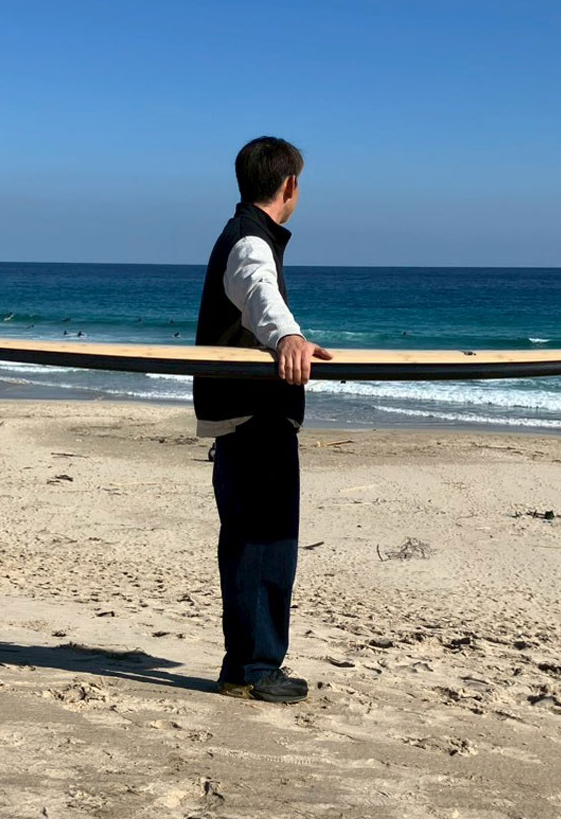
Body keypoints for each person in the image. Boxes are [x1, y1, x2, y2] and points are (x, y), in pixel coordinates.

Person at [194, 136, 331, 704]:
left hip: (240, 417)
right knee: (266, 543)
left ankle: (241, 666)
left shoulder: (243, 233)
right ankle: (254, 668)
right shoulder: (250, 240)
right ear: (290, 185)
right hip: (255, 417)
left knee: (247, 542)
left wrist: (284, 336)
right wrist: (289, 337)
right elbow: (257, 292)